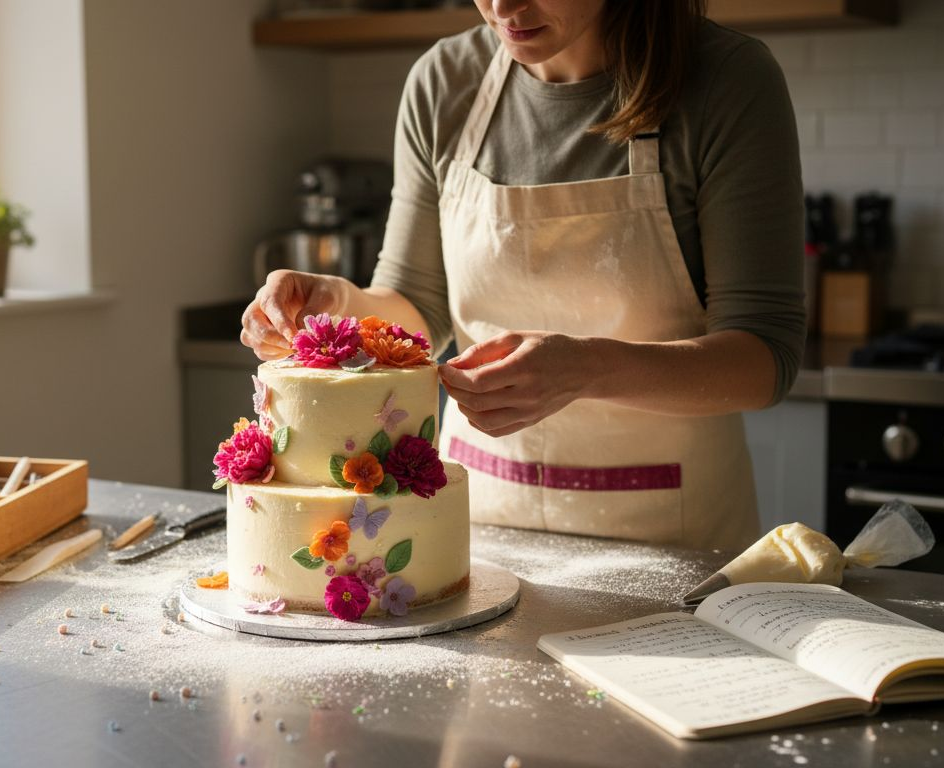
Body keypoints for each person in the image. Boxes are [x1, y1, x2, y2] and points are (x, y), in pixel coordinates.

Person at [240, 0, 804, 552]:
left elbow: (763, 358)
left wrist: (588, 368)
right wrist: (339, 303)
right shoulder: (444, 82)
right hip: (479, 527)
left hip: (673, 537)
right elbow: (420, 309)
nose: (502, 6)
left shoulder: (727, 80)